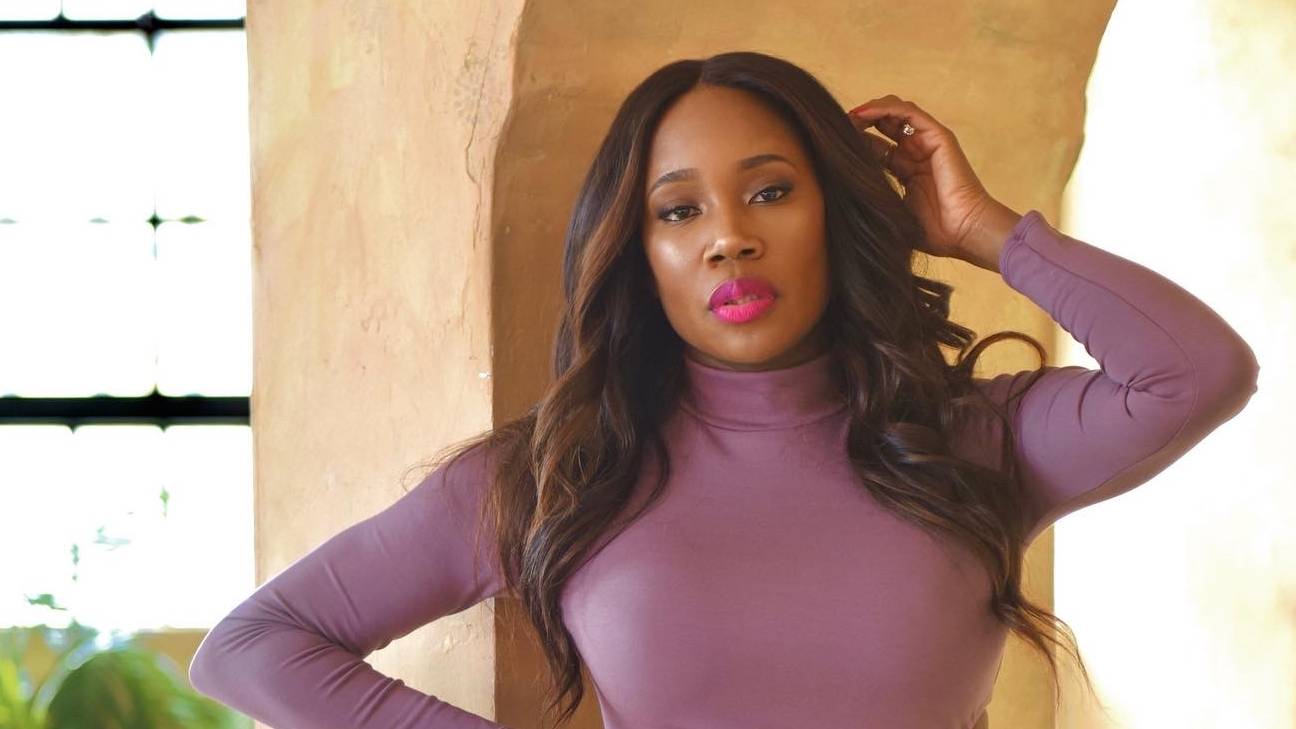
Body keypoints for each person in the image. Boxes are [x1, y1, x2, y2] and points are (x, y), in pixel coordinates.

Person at [188, 51, 1260, 729]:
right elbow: (253, 648)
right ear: (639, 251)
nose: (729, 238)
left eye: (772, 192)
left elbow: (1198, 373)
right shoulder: (563, 474)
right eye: (678, 210)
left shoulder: (976, 442)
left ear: (836, 213)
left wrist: (982, 229)